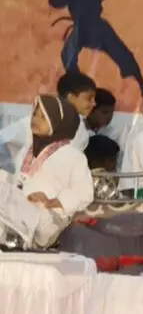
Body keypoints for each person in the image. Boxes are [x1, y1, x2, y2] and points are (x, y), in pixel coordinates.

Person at [0, 95, 94, 247]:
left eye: (43, 117)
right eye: (35, 114)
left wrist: (53, 201)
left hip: (46, 219)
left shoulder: (73, 155)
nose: (35, 119)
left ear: (57, 122)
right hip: (19, 215)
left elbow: (85, 192)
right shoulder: (26, 149)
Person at [49, 0, 143, 91]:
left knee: (122, 53)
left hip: (96, 26)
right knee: (67, 56)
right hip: (81, 28)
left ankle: (141, 83)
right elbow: (54, 1)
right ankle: (78, 86)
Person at [0, 72, 96, 173]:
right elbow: (3, 139)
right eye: (89, 98)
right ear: (70, 97)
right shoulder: (40, 118)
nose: (94, 103)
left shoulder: (82, 131)